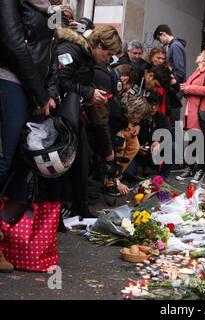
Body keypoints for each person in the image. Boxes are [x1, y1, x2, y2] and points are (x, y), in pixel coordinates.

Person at [0, 0, 65, 273]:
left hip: (32, 90)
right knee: (3, 161)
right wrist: (40, 93)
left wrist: (47, 93)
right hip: (9, 80)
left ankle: (5, 240)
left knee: (19, 165)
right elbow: (15, 44)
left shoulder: (51, 9)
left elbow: (51, 54)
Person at [48, 25, 121, 218]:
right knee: (65, 165)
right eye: (107, 53)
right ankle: (61, 211)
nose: (108, 58)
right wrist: (88, 92)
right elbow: (59, 79)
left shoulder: (86, 56)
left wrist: (90, 96)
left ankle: (79, 208)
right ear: (97, 44)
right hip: (60, 117)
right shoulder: (72, 50)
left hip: (73, 114)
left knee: (81, 162)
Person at [176, 50, 205, 183]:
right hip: (192, 111)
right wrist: (184, 89)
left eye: (200, 54)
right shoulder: (197, 71)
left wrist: (188, 88)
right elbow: (191, 88)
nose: (197, 55)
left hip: (201, 113)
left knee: (201, 143)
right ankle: (190, 168)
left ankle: (200, 169)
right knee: (192, 141)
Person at [104, 94, 152, 196]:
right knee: (120, 142)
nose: (138, 121)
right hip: (107, 131)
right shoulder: (117, 113)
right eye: (138, 117)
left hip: (120, 125)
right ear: (134, 111)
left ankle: (116, 176)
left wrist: (136, 126)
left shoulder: (126, 114)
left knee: (134, 145)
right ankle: (111, 181)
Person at [128, 91, 172, 180]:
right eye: (151, 104)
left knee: (172, 147)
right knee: (129, 175)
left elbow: (168, 133)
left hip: (154, 152)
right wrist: (137, 147)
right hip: (137, 152)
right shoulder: (138, 116)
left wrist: (158, 142)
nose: (153, 108)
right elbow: (127, 136)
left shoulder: (161, 117)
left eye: (156, 105)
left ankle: (162, 177)